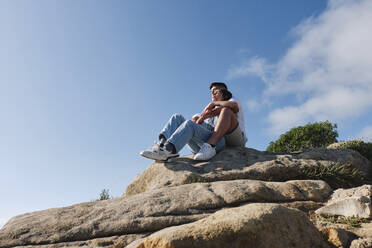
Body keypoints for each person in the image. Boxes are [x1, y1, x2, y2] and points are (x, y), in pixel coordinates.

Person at [140, 82, 246, 161]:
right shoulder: (209, 111)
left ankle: (170, 150)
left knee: (224, 111)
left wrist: (212, 105)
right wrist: (200, 118)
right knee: (177, 117)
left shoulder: (231, 100)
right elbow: (196, 122)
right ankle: (162, 146)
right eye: (211, 92)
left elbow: (233, 107)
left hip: (225, 140)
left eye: (216, 92)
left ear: (224, 92)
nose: (213, 94)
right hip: (201, 146)